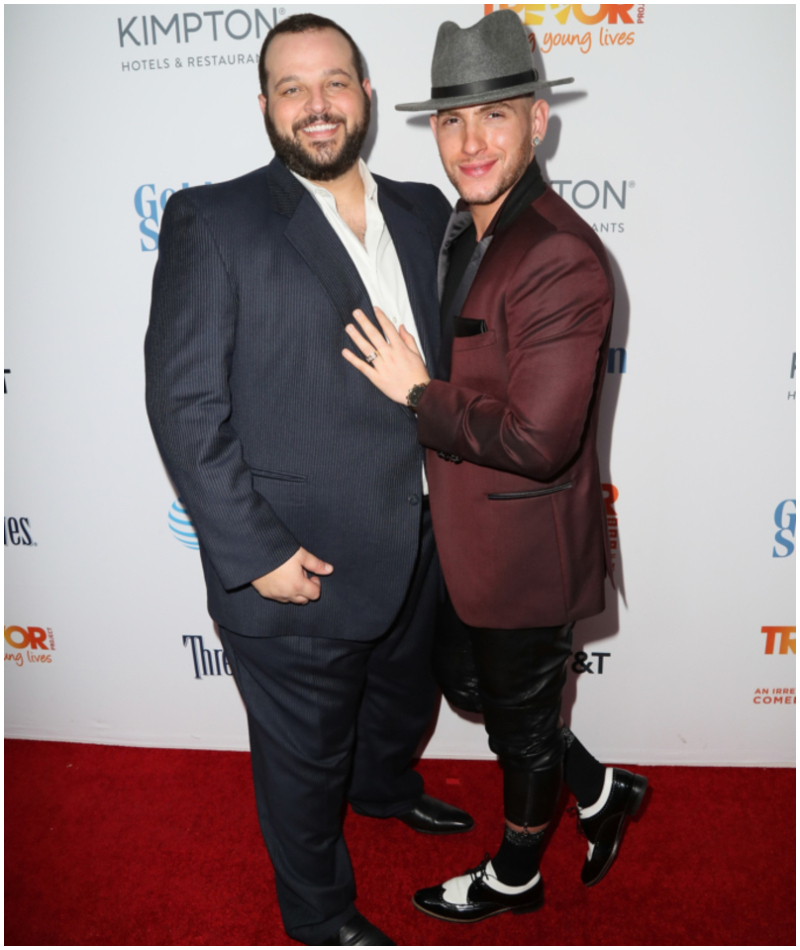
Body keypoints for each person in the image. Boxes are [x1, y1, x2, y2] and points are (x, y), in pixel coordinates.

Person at [145, 14, 472, 946]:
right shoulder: (215, 220)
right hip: (300, 564)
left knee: (399, 701)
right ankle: (318, 915)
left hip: (420, 540)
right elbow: (185, 408)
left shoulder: (423, 210)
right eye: (292, 89)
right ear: (264, 107)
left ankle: (383, 789)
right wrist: (258, 556)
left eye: (334, 82)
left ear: (366, 93)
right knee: (302, 756)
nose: (316, 105)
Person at [343, 9, 648, 923]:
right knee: (473, 685)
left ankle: (516, 876)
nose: (470, 141)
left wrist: (415, 393)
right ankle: (599, 793)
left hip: (524, 555)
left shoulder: (557, 255)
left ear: (539, 120)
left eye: (497, 115)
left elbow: (537, 439)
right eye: (451, 119)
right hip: (461, 537)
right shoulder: (463, 227)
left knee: (516, 726)